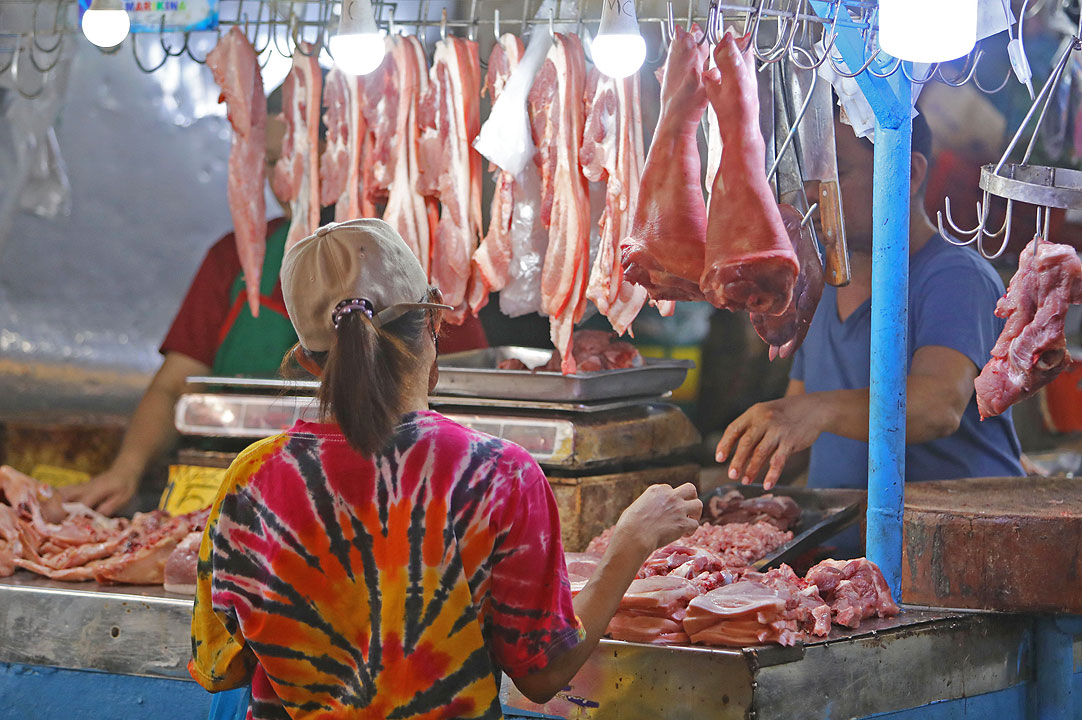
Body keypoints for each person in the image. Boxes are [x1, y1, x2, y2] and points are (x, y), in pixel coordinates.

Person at [188, 219, 703, 718]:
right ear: (433, 323)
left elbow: (219, 669)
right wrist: (630, 543)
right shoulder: (499, 474)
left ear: (306, 362)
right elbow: (544, 673)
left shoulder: (249, 480)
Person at [62, 94, 486, 516]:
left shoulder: (407, 262)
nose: (282, 178)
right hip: (226, 492)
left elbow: (469, 394)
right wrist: (126, 469)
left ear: (347, 151)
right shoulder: (237, 258)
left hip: (385, 495)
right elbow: (175, 387)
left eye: (297, 159)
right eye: (269, 162)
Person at [715, 112, 1024, 498]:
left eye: (835, 172)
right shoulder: (817, 285)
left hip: (955, 529)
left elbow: (938, 406)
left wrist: (815, 410)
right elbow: (796, 430)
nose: (811, 193)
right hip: (843, 533)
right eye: (808, 176)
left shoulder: (956, 277)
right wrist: (726, 484)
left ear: (908, 173)